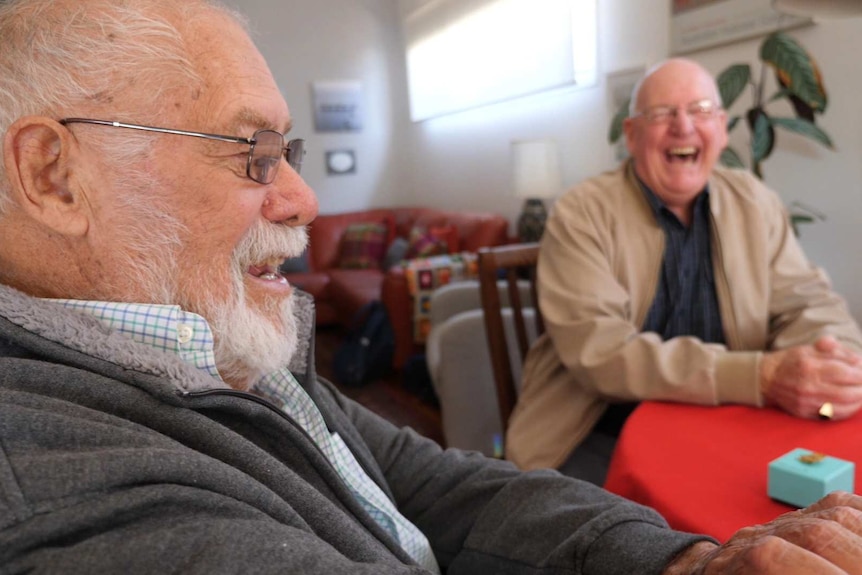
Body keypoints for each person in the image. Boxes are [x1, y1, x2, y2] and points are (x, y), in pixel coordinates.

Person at [0, 2, 861, 573]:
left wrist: (681, 561)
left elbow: (420, 477)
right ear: (53, 175)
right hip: (601, 425)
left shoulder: (211, 339)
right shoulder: (66, 498)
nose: (304, 201)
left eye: (286, 153)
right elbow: (601, 356)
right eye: (249, 151)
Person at [506, 57, 862, 486]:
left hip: (732, 423)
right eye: (661, 114)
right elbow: (600, 353)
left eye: (701, 110)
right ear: (632, 136)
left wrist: (835, 358)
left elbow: (807, 301)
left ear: (723, 128)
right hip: (597, 430)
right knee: (660, 544)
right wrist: (760, 376)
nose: (683, 126)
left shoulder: (755, 201)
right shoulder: (581, 213)